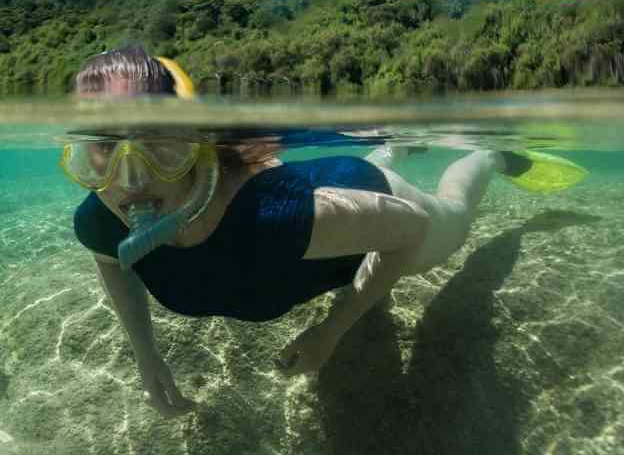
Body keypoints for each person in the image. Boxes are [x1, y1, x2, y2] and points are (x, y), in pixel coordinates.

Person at [62, 44, 587, 418]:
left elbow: (411, 228)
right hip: (332, 202)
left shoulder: (276, 217)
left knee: (450, 219)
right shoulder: (101, 219)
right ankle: (393, 144)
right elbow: (112, 261)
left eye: (155, 141)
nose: (131, 181)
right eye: (106, 146)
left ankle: (487, 155)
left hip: (372, 204)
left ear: (192, 140)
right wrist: (145, 354)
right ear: (82, 151)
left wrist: (332, 331)